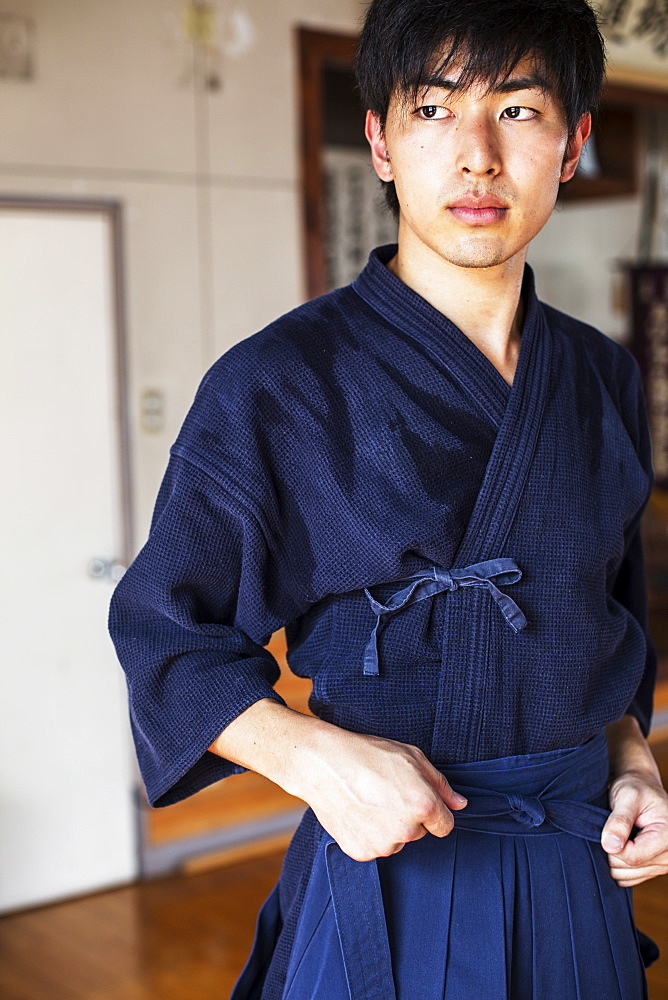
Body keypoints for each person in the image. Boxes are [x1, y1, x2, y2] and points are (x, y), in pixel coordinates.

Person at [109, 0, 668, 996]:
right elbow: (165, 631)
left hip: (574, 867)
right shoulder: (277, 382)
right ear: (378, 140)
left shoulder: (598, 377)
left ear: (573, 140)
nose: (476, 157)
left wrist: (633, 760)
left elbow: (608, 612)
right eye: (432, 110)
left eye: (519, 110)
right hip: (391, 865)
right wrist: (315, 761)